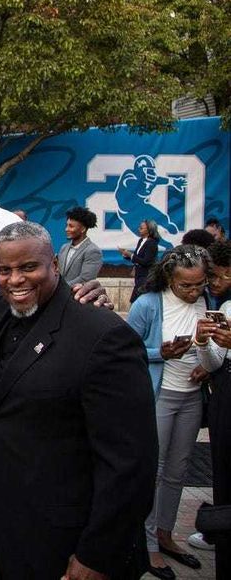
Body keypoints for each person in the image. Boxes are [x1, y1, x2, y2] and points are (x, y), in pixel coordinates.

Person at [0, 221, 157, 580]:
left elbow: (131, 463)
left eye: (29, 267)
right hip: (13, 529)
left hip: (70, 542)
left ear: (55, 266)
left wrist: (98, 554)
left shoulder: (104, 336)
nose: (15, 280)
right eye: (5, 270)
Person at [127, 245, 223, 578]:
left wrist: (207, 367)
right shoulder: (149, 304)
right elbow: (124, 349)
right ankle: (149, 545)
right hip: (160, 397)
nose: (194, 291)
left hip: (193, 397)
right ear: (170, 277)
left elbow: (209, 347)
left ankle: (166, 534)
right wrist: (160, 352)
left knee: (178, 472)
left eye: (200, 284)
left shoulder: (207, 302)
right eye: (186, 285)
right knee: (155, 470)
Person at [190, 240, 231, 572]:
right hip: (224, 402)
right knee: (223, 473)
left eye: (216, 276)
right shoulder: (227, 307)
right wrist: (204, 342)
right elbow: (215, 363)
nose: (211, 284)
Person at [57, 206, 103, 285]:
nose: (66, 229)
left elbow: (85, 279)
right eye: (67, 225)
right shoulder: (64, 248)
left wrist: (60, 289)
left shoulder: (93, 251)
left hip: (78, 296)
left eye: (71, 226)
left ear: (83, 229)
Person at [120, 218, 161, 304]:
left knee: (135, 301)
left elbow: (146, 261)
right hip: (138, 276)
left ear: (149, 230)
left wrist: (130, 255)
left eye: (141, 228)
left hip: (145, 277)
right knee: (137, 301)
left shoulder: (152, 243)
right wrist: (126, 255)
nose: (139, 229)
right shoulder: (141, 241)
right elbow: (137, 258)